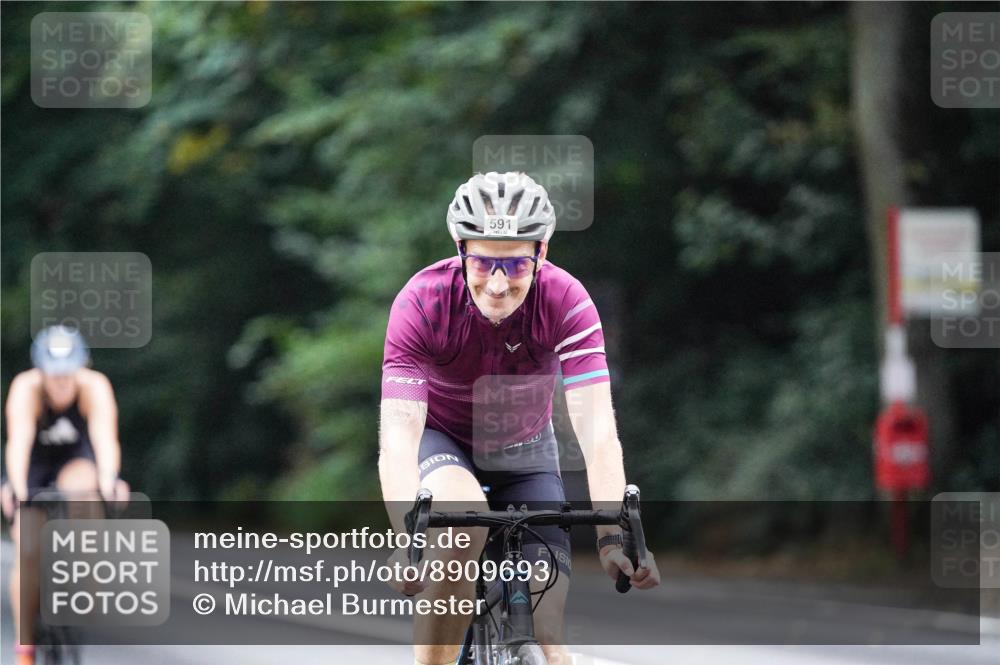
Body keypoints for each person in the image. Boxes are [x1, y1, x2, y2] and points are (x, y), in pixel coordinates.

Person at [379, 172, 661, 665]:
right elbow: (399, 437)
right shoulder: (422, 302)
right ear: (460, 248)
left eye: (515, 264)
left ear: (542, 254)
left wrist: (613, 538)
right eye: (483, 262)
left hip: (526, 453)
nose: (498, 282)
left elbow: (597, 432)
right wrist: (408, 540)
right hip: (441, 442)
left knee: (550, 641)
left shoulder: (566, 301)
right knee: (465, 520)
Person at [4, 326, 127, 665]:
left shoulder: (95, 386)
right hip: (33, 464)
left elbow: (105, 439)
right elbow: (18, 443)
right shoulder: (25, 389)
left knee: (85, 489)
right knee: (27, 549)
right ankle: (25, 646)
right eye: (53, 375)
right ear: (40, 370)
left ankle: (87, 567)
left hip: (75, 458)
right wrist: (16, 489)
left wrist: (109, 479)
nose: (60, 382)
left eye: (67, 374)